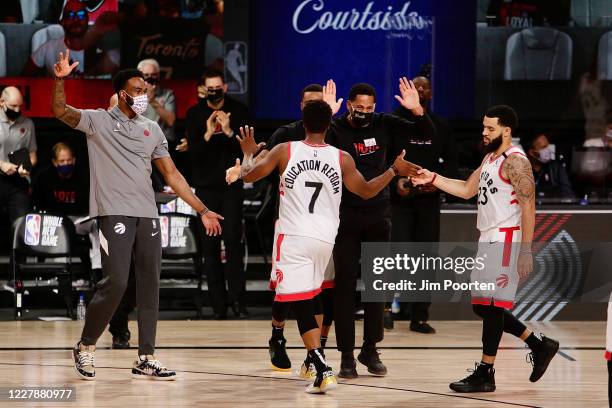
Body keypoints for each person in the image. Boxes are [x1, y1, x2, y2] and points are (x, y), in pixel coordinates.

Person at [225, 99, 420, 393]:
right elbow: (367, 191)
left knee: (300, 302)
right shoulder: (342, 158)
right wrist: (394, 170)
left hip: (294, 237)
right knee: (313, 297)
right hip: (326, 239)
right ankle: (312, 361)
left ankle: (320, 365)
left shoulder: (285, 150)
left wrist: (249, 154)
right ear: (329, 126)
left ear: (303, 124)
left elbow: (250, 175)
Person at [52, 49, 222, 381]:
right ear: (120, 92)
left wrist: (201, 209)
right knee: (116, 281)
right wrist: (60, 81)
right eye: (137, 90)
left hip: (147, 213)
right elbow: (59, 111)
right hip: (112, 211)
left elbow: (172, 175)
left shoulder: (152, 130)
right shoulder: (98, 120)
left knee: (149, 284)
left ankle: (146, 356)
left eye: (145, 91)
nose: (142, 96)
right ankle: (86, 346)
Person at [412, 105, 559, 393]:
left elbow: (529, 206)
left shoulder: (516, 161)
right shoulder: (490, 158)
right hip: (488, 237)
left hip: (507, 238)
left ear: (506, 130)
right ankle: (539, 344)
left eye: (490, 128)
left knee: (492, 307)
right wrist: (433, 178)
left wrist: (526, 250)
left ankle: (485, 372)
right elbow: (467, 189)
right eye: (483, 127)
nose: (484, 132)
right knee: (481, 306)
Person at [325, 78, 435, 379]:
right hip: (344, 215)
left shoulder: (384, 123)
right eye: (358, 108)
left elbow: (425, 135)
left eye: (369, 108)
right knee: (345, 287)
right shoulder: (335, 130)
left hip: (378, 215)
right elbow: (309, 138)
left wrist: (417, 111)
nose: (364, 113)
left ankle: (370, 349)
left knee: (377, 286)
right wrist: (326, 114)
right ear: (348, 106)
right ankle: (346, 354)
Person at [258, 81, 343, 373]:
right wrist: (244, 164)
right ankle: (278, 335)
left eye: (317, 102)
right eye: (308, 102)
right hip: (290, 224)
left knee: (318, 291)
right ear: (300, 106)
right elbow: (260, 166)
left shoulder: (334, 141)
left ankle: (313, 355)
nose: (312, 106)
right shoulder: (285, 138)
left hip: (321, 229)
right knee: (286, 291)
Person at [389, 75, 458, 334]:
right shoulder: (392, 122)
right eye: (415, 87)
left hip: (428, 202)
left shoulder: (440, 125)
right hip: (398, 201)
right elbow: (382, 160)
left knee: (426, 258)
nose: (420, 90)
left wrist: (436, 182)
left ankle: (420, 316)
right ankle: (386, 310)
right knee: (393, 257)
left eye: (424, 87)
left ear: (430, 92)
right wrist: (394, 181)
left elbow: (451, 163)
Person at [185, 68, 250, 319]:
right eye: (209, 88)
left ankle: (237, 301)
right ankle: (218, 306)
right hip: (206, 190)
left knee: (234, 242)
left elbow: (248, 150)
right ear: (204, 90)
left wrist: (229, 130)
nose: (214, 92)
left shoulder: (240, 110)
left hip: (232, 188)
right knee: (209, 247)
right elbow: (194, 154)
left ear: (225, 88)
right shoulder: (194, 114)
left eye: (218, 88)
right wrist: (209, 132)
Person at [31, 142, 102, 275]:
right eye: (62, 161)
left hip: (78, 220)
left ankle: (97, 269)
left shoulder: (84, 176)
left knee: (96, 224)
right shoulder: (44, 177)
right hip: (55, 222)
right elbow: (37, 203)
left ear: (74, 160)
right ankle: (59, 274)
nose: (66, 163)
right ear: (55, 162)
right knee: (59, 232)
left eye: (69, 160)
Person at [22, 0, 119, 77]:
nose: (76, 19)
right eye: (70, 15)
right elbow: (23, 78)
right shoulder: (47, 48)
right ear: (62, 21)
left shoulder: (106, 53)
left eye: (80, 15)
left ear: (87, 20)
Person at [0, 86, 37, 226]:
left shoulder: (27, 124)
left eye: (20, 106)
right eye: (13, 106)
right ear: (2, 102)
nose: (17, 110)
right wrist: (1, 164)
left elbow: (33, 155)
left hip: (18, 180)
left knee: (22, 225)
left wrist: (26, 167)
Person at [521, 132, 575, 200]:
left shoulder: (556, 168)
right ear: (532, 153)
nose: (548, 150)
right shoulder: (520, 171)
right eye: (544, 147)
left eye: (548, 146)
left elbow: (568, 195)